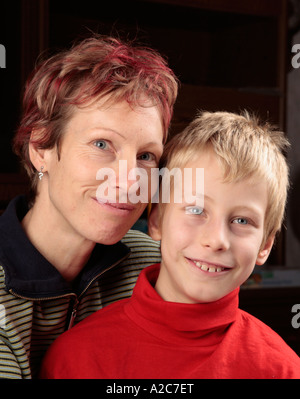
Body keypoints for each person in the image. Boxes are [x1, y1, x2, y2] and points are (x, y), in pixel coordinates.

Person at [40, 111, 300, 379]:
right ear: (156, 221)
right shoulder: (75, 358)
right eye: (197, 210)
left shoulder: (282, 370)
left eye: (242, 220)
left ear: (265, 245)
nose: (216, 240)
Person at [0, 34, 178, 378]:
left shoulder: (155, 263)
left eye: (145, 156)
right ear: (41, 148)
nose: (130, 181)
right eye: (102, 144)